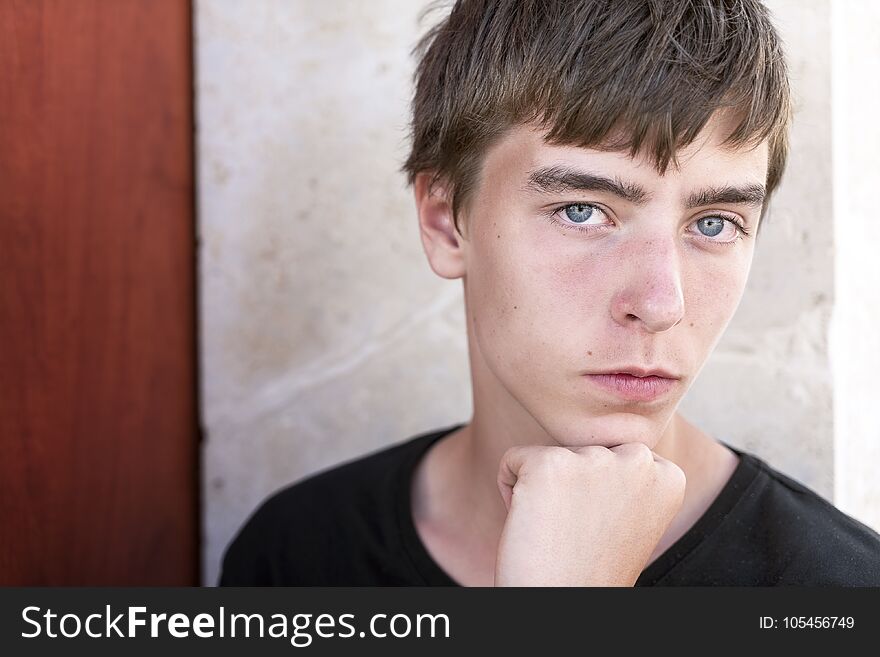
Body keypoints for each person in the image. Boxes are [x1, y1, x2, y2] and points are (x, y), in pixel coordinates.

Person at [218, 0, 880, 586]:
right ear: (446, 220)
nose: (660, 302)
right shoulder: (298, 557)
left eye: (713, 224)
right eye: (583, 211)